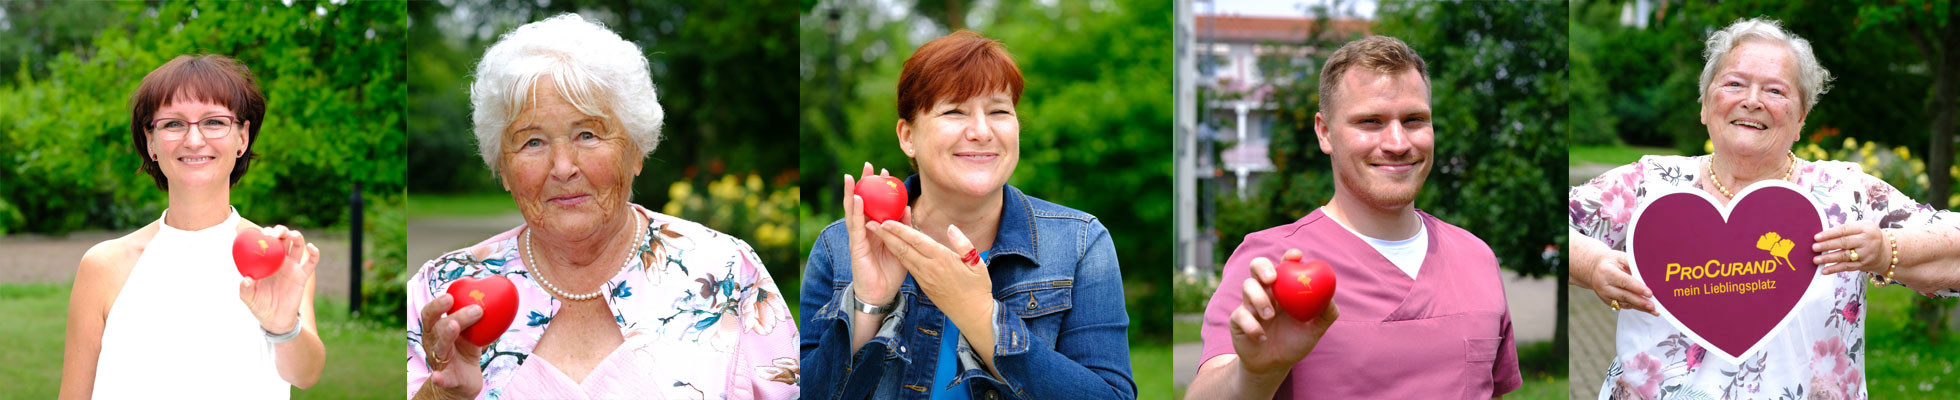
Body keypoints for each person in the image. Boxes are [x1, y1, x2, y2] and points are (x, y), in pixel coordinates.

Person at [405, 14, 798, 400]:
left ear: (636, 151)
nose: (562, 167)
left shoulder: (728, 271)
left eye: (587, 134)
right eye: (533, 142)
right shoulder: (441, 292)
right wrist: (444, 398)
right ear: (503, 169)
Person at [1569, 17, 1960, 399]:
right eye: (1735, 84)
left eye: (1775, 91)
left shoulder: (1845, 193)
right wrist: (1593, 265)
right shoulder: (1649, 183)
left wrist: (1887, 250)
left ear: (1801, 118)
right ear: (1705, 106)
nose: (1752, 101)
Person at [798, 30, 1136, 399]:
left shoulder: (1080, 243)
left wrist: (980, 316)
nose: (981, 131)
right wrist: (869, 306)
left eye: (999, 111)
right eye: (955, 111)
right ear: (907, 135)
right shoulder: (839, 246)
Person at [1186, 35, 1522, 399]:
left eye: (1414, 120)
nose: (1397, 143)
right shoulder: (1268, 267)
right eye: (1370, 122)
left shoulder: (1476, 258)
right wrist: (1255, 373)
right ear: (1325, 132)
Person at [60, 54, 327, 399]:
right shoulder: (104, 265)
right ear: (151, 141)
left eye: (214, 122)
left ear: (243, 137)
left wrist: (283, 327)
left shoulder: (278, 258)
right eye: (173, 124)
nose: (194, 139)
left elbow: (305, 375)